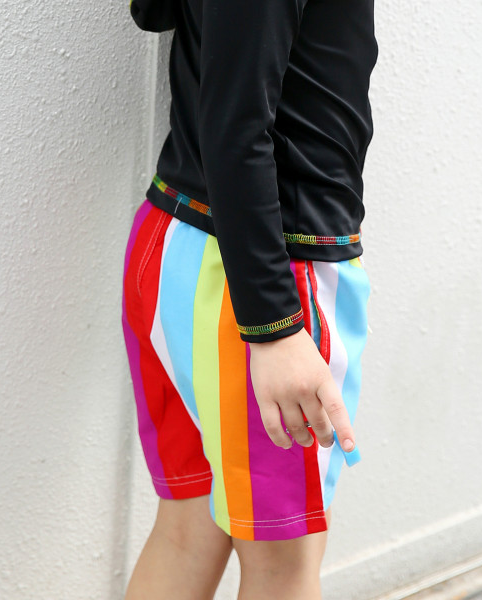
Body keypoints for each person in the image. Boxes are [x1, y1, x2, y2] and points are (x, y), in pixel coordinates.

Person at [121, 0, 378, 598]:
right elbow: (236, 129)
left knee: (188, 531)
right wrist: (276, 327)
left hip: (183, 241)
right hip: (262, 278)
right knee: (284, 566)